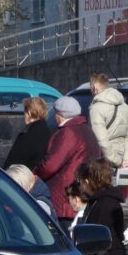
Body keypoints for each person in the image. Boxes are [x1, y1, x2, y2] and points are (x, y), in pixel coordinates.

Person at [35, 96, 101, 228]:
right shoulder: (87, 130)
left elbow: (50, 165)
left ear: (59, 115)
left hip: (64, 196)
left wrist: (34, 174)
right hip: (84, 192)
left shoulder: (67, 133)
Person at [77, 158, 127, 255]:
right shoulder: (98, 200)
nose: (79, 185)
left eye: (80, 181)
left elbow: (96, 240)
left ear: (87, 181)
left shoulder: (105, 204)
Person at [88, 73, 128, 168]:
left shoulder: (96, 108)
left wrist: (117, 161)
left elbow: (102, 141)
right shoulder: (124, 106)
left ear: (94, 87)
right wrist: (127, 160)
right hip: (123, 157)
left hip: (105, 162)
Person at [3, 97, 52, 170]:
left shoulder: (27, 136)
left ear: (29, 112)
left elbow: (12, 164)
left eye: (24, 112)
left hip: (23, 177)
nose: (24, 116)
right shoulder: (48, 132)